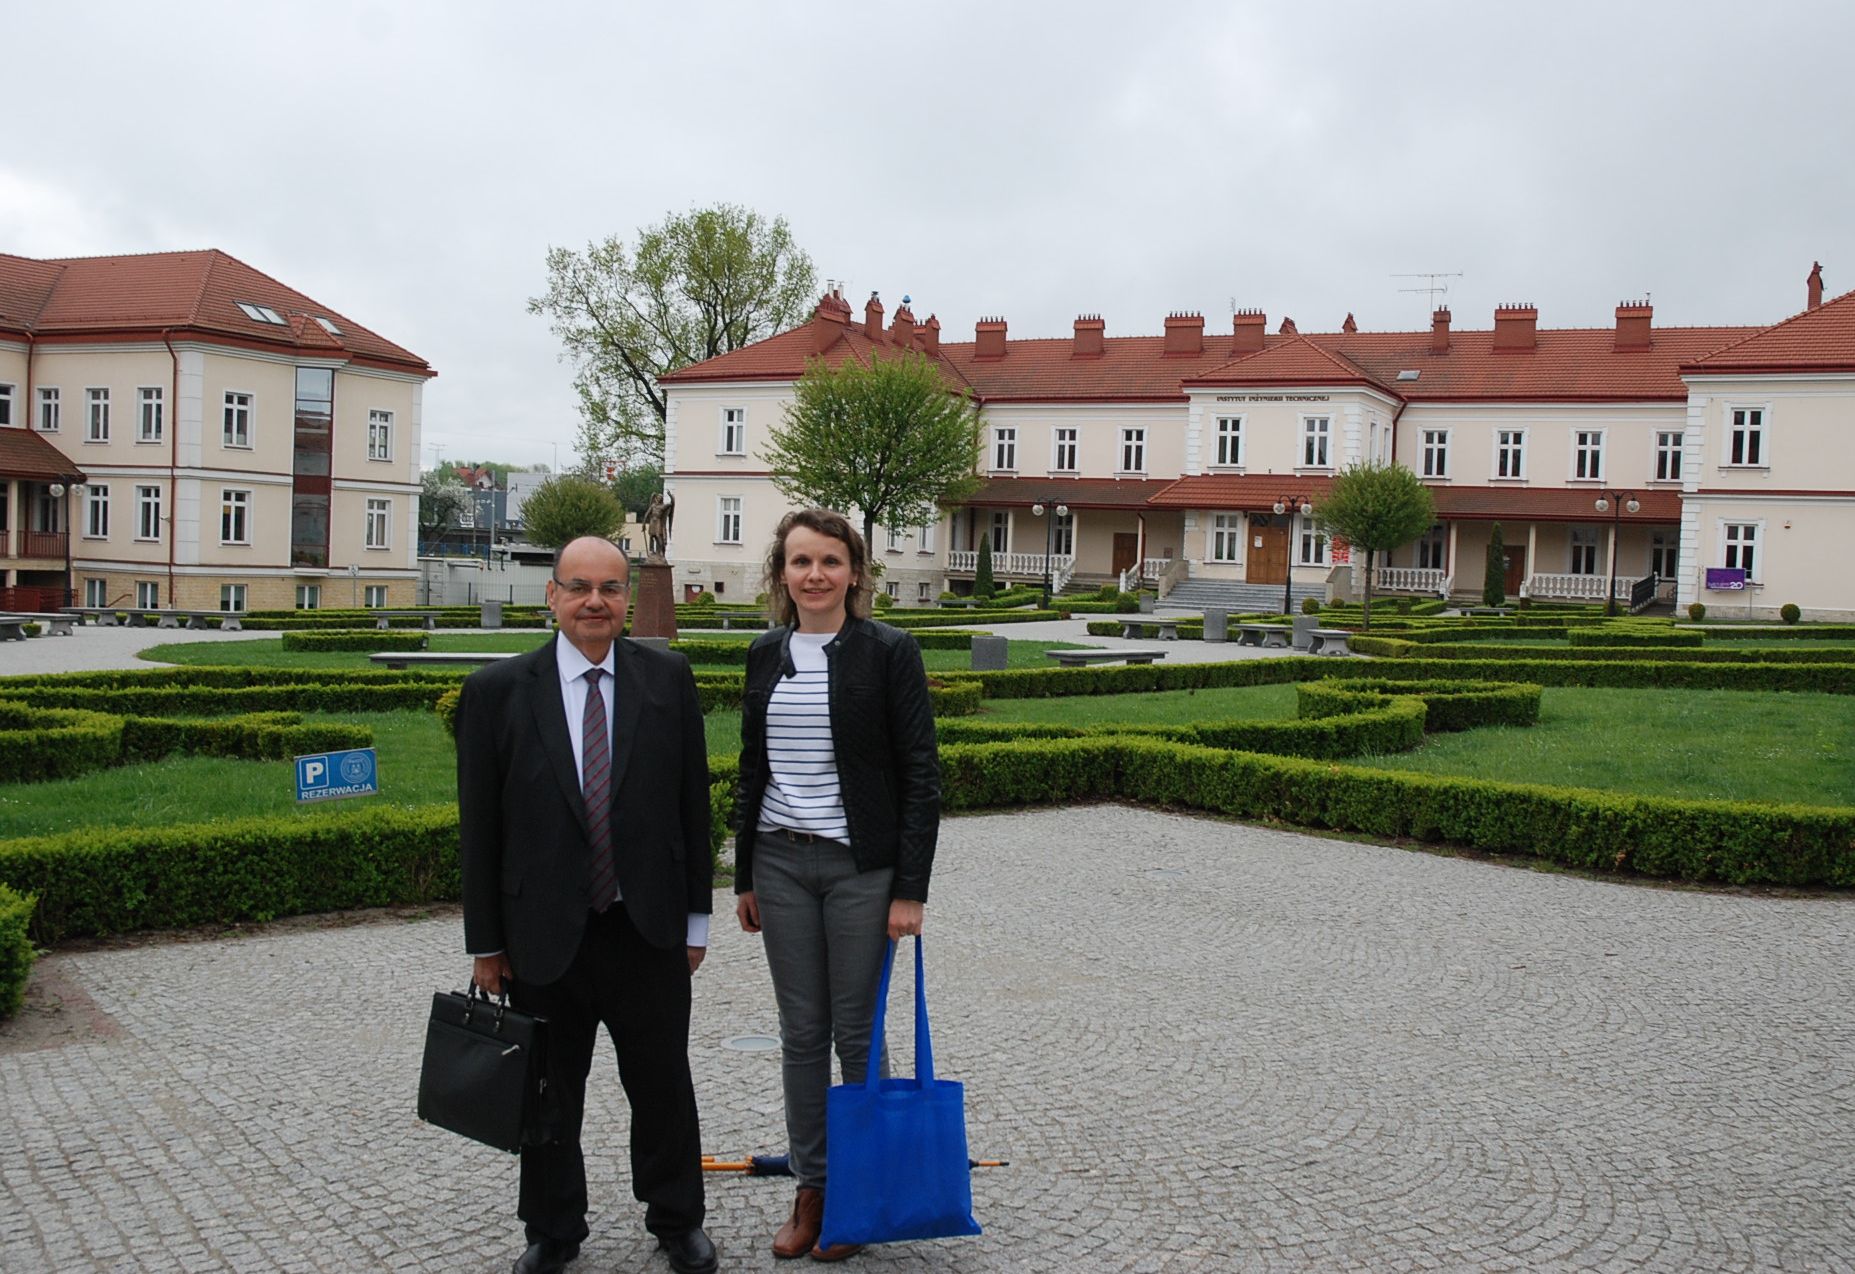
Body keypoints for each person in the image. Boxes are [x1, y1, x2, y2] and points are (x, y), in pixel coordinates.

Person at [457, 535, 719, 1274]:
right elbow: (480, 829)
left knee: (663, 1087)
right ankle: (552, 1229)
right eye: (579, 587)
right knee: (548, 1091)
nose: (595, 602)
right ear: (552, 596)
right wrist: (486, 943)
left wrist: (696, 920)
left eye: (609, 588)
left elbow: (690, 809)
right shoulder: (497, 692)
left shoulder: (667, 679)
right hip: (542, 934)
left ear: (626, 597)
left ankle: (676, 1219)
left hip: (646, 927)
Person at [733, 508, 941, 1262]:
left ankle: (860, 1188)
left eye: (829, 561)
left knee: (856, 1032)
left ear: (853, 573)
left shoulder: (888, 652)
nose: (814, 575)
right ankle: (812, 1187)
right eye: (800, 562)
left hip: (861, 869)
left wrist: (909, 889)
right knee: (800, 1033)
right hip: (780, 861)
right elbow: (752, 768)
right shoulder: (765, 653)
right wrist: (745, 874)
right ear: (781, 573)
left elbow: (920, 775)